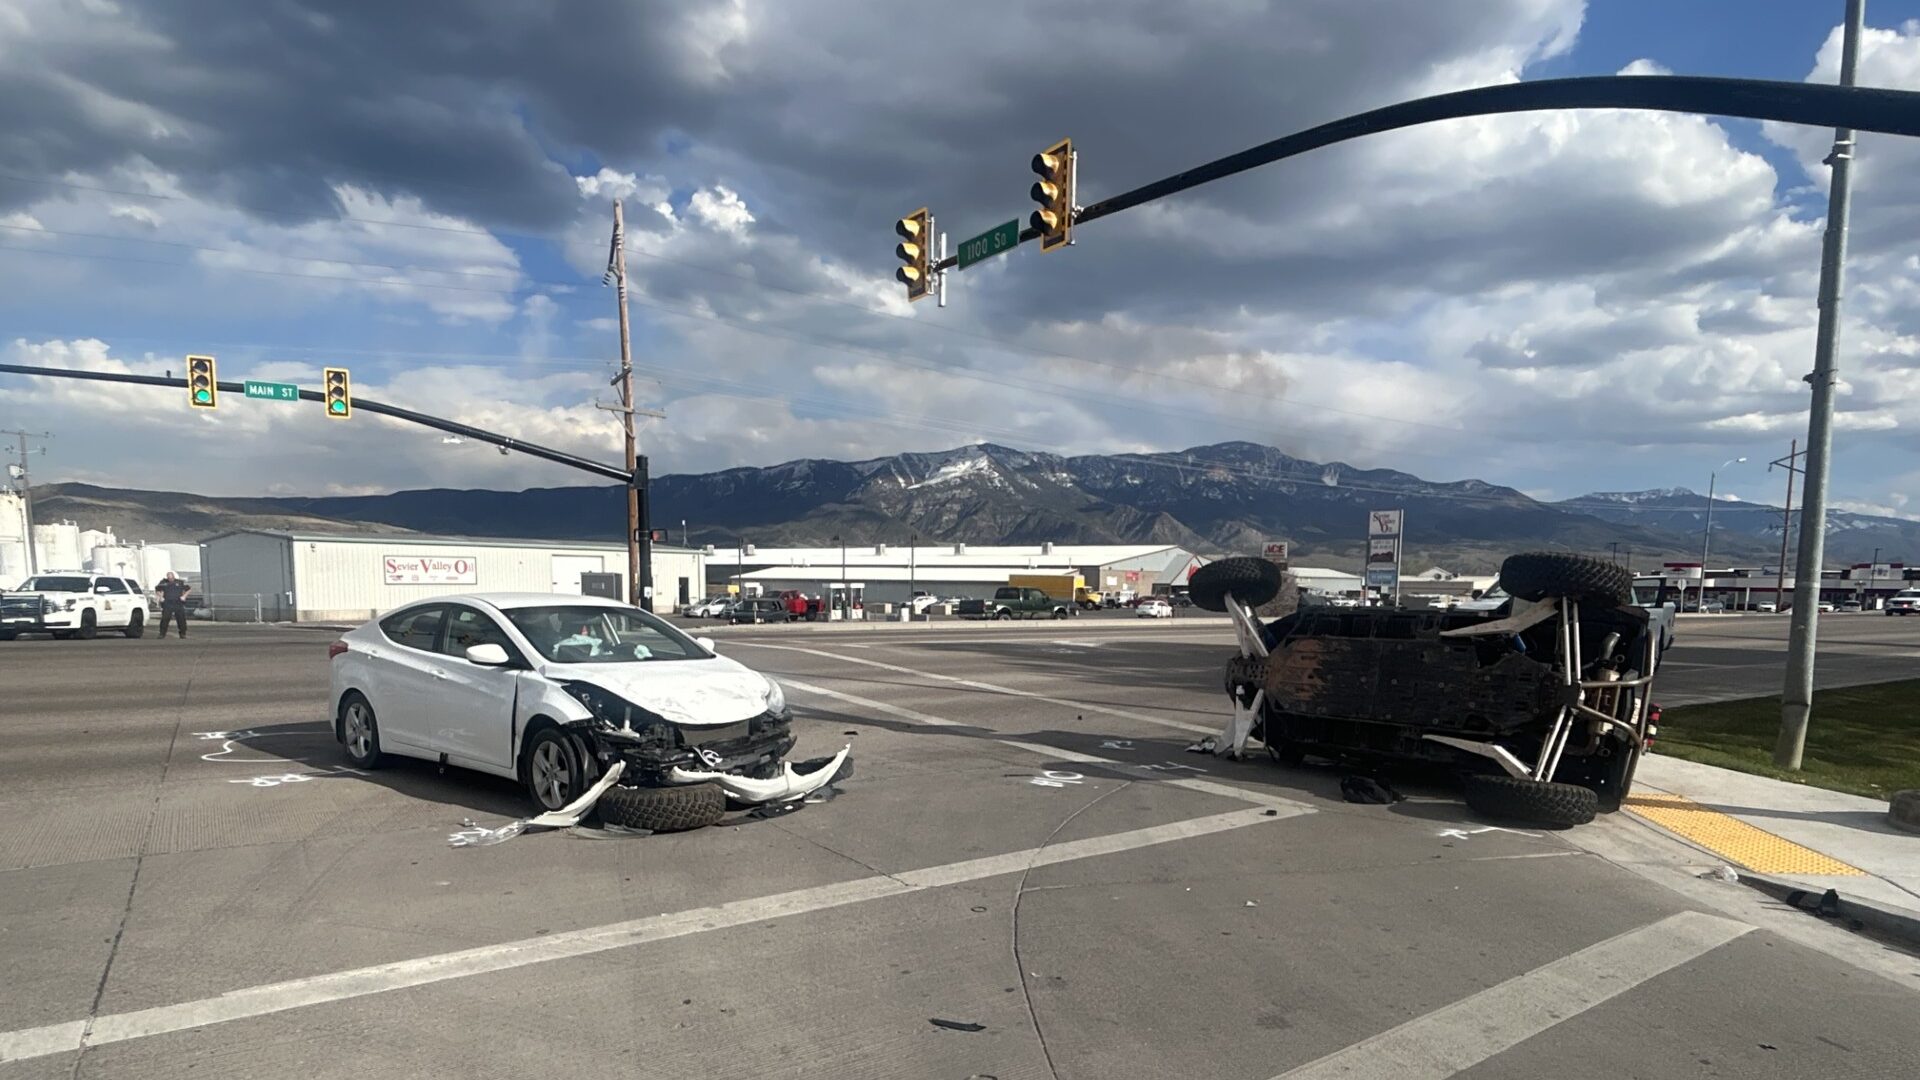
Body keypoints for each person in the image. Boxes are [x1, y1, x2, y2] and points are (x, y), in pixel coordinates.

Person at [154, 572, 191, 639]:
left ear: (174, 577)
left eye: (171, 578)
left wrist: (184, 596)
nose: (170, 579)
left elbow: (189, 589)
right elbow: (157, 590)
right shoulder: (163, 582)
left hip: (178, 603)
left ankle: (183, 634)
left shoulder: (180, 582)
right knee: (165, 619)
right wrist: (161, 597)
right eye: (169, 578)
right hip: (167, 603)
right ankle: (162, 634)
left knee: (181, 619)